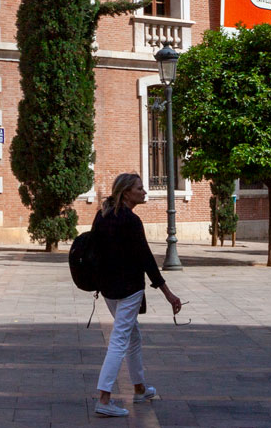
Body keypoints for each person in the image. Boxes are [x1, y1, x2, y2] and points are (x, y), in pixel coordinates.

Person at [89, 173, 182, 418]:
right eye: (140, 188)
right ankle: (104, 398)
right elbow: (147, 260)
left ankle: (140, 388)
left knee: (132, 335)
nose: (145, 192)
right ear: (126, 192)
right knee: (120, 340)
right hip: (129, 289)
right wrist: (168, 294)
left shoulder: (102, 215)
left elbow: (94, 251)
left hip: (108, 289)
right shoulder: (130, 221)